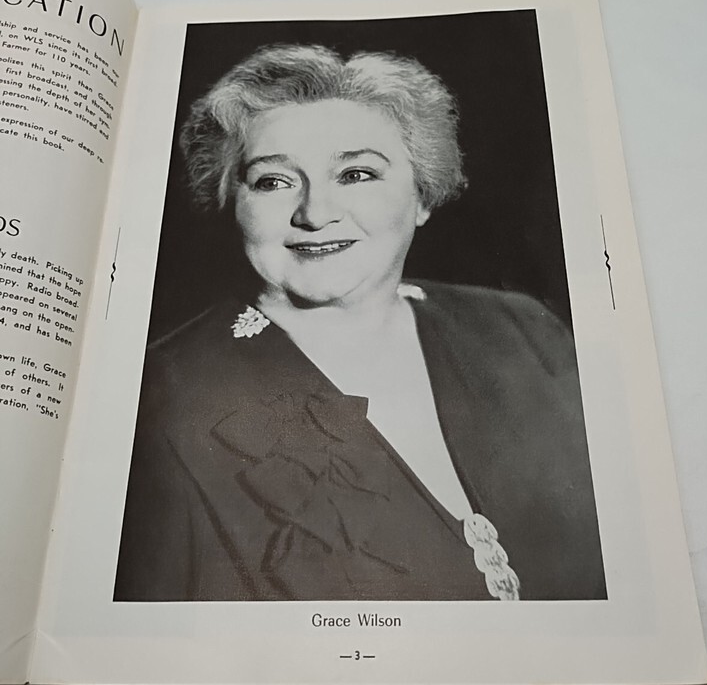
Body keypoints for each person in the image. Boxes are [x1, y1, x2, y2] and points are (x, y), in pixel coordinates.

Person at [114, 44, 606, 602]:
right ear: (230, 201)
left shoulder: (524, 331)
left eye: (356, 173)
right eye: (274, 181)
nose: (316, 213)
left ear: (423, 195)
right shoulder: (161, 401)